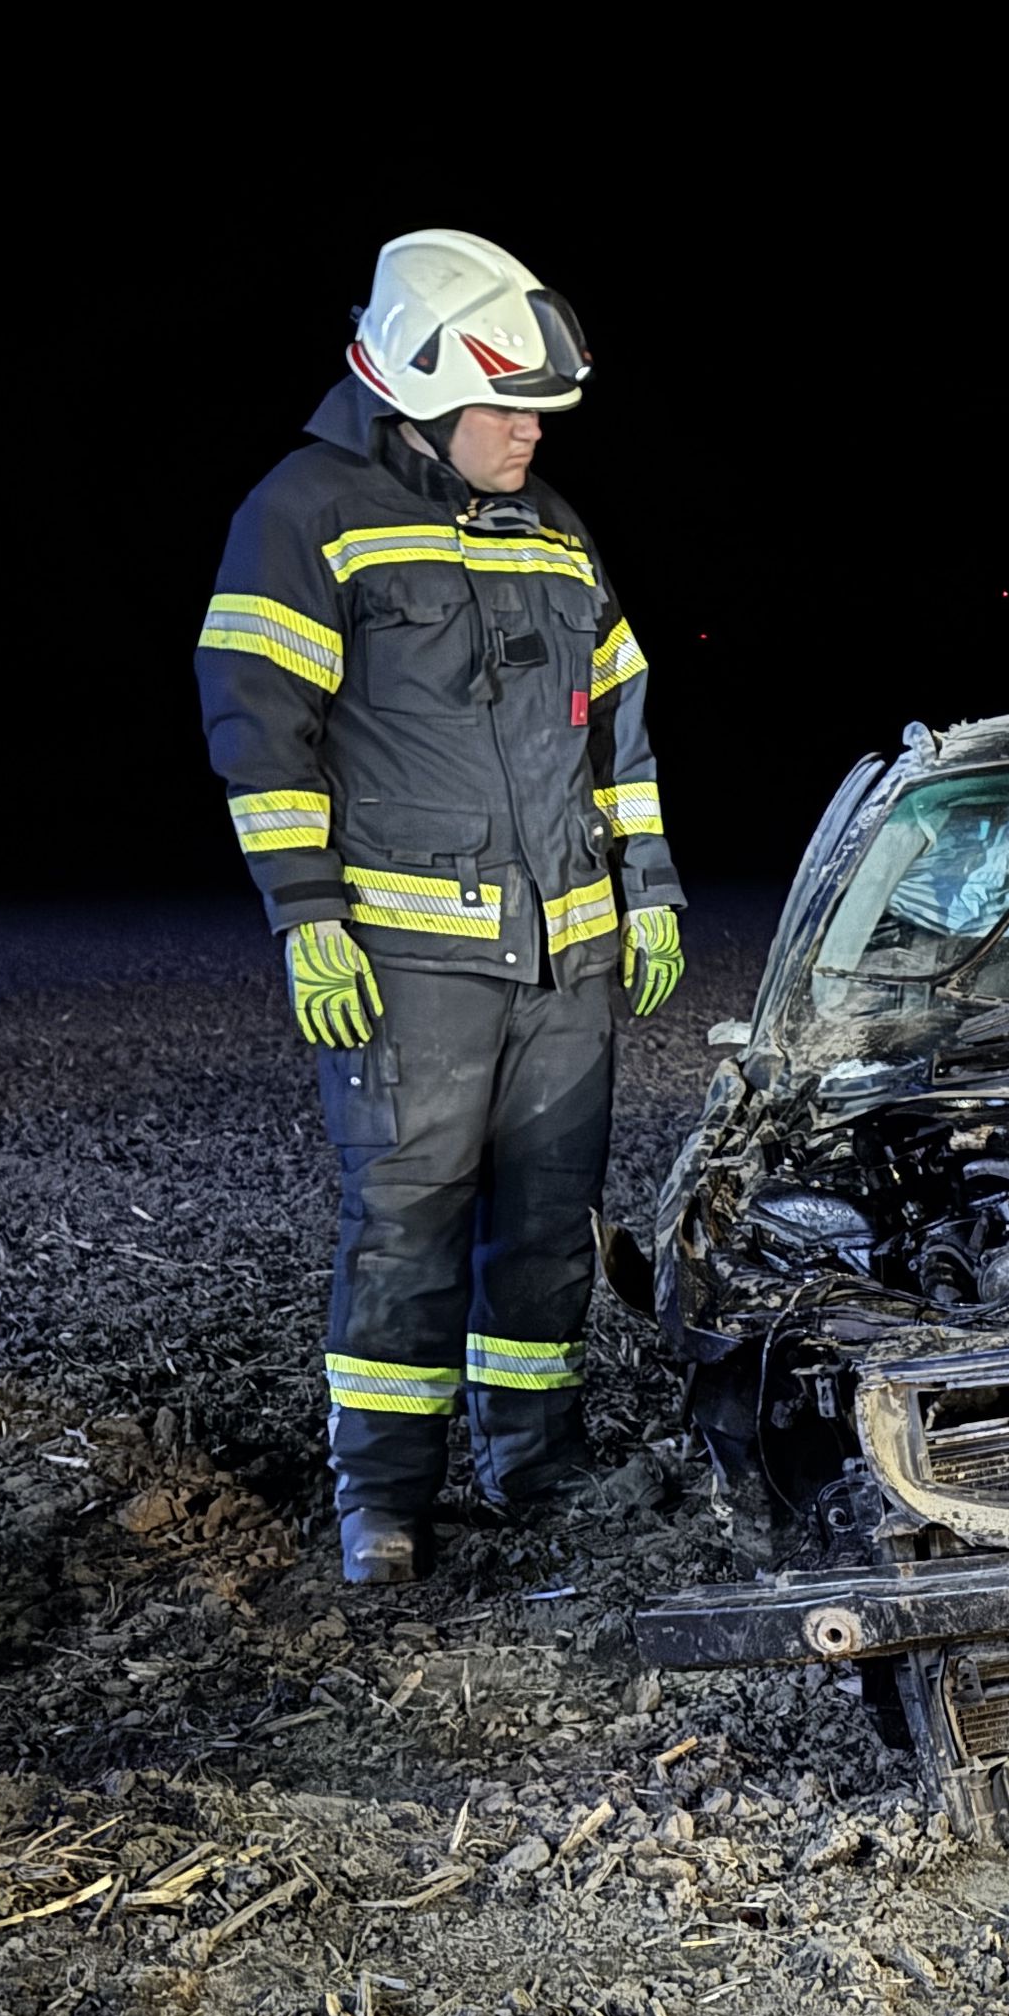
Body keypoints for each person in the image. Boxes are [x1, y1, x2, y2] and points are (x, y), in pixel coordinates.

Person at [196, 230, 685, 1587]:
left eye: (542, 414)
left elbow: (619, 731)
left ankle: (535, 1465)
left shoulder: (554, 529)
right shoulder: (306, 514)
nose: (531, 437)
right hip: (408, 963)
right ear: (415, 384)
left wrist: (647, 894)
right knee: (405, 1230)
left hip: (566, 965)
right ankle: (386, 1504)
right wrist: (306, 916)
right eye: (508, 411)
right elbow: (258, 729)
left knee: (546, 1226)